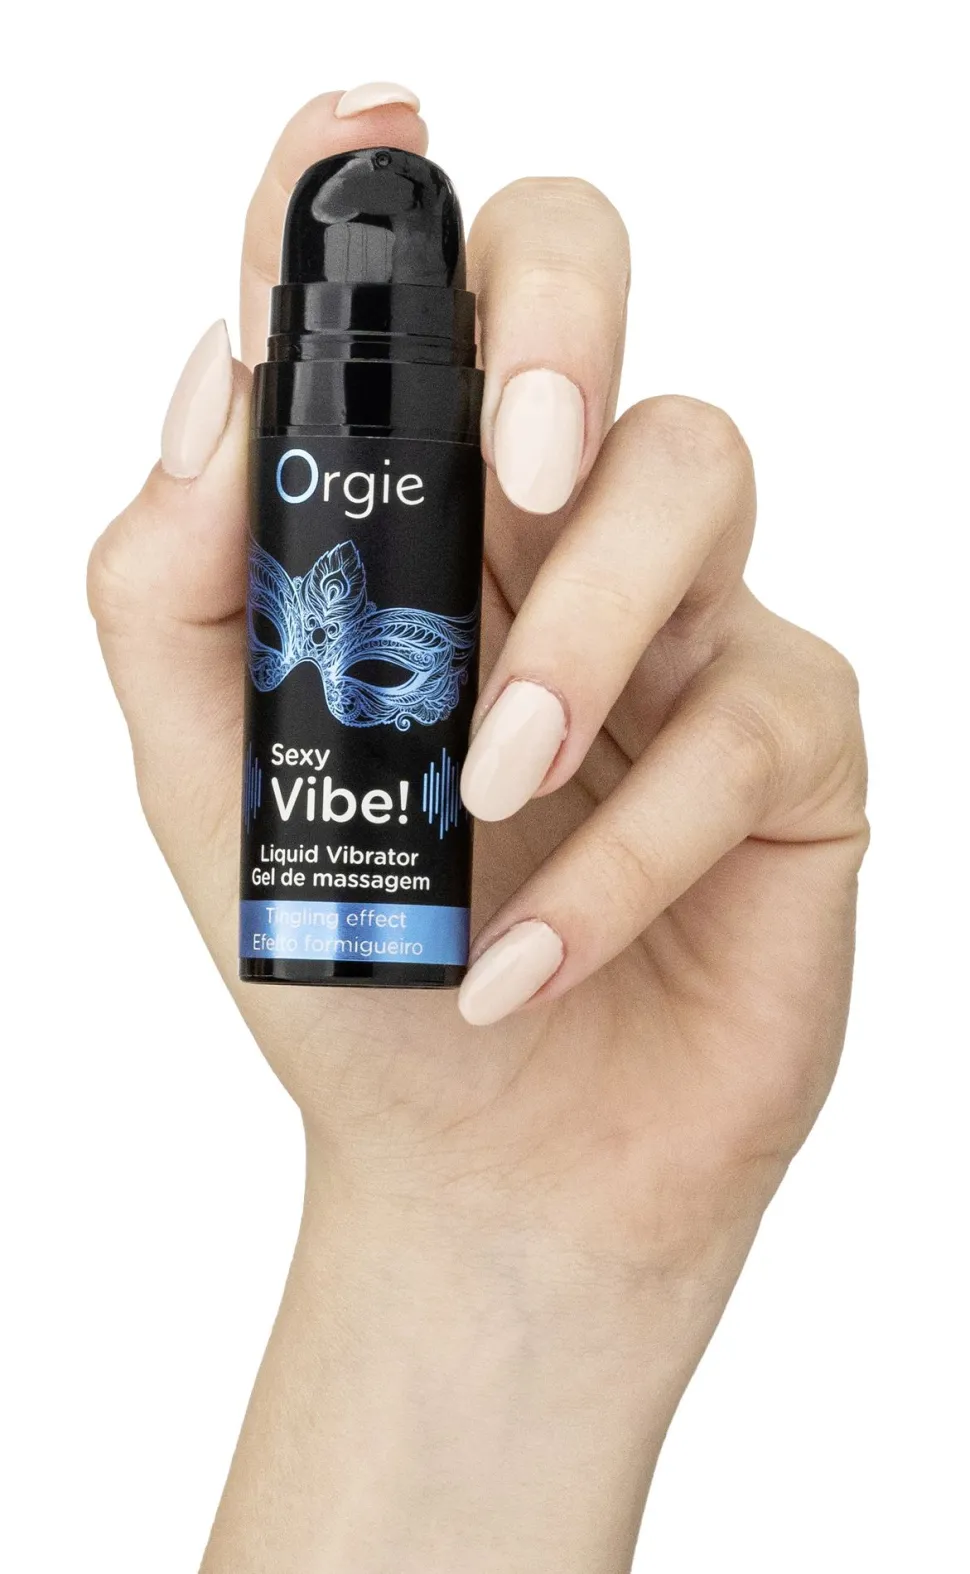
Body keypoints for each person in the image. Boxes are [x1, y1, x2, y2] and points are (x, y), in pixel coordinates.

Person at [87, 83, 868, 1574]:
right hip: (373, 946)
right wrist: (455, 1221)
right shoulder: (297, 467)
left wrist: (512, 1233)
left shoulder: (362, 471)